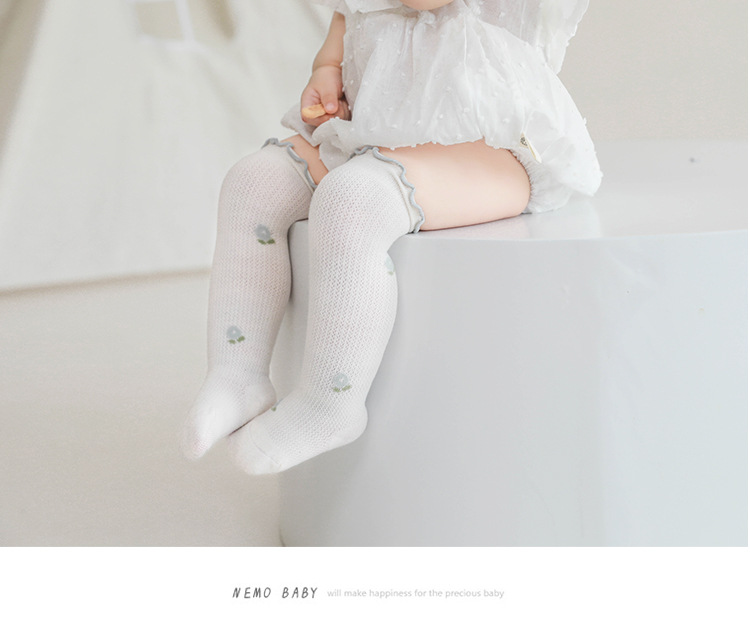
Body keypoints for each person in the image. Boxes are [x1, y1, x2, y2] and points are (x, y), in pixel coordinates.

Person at [181, 0, 602, 474]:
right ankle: (236, 373)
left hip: (491, 147)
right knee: (252, 184)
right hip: (374, 131)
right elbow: (344, 25)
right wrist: (328, 73)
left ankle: (329, 404)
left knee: (352, 202)